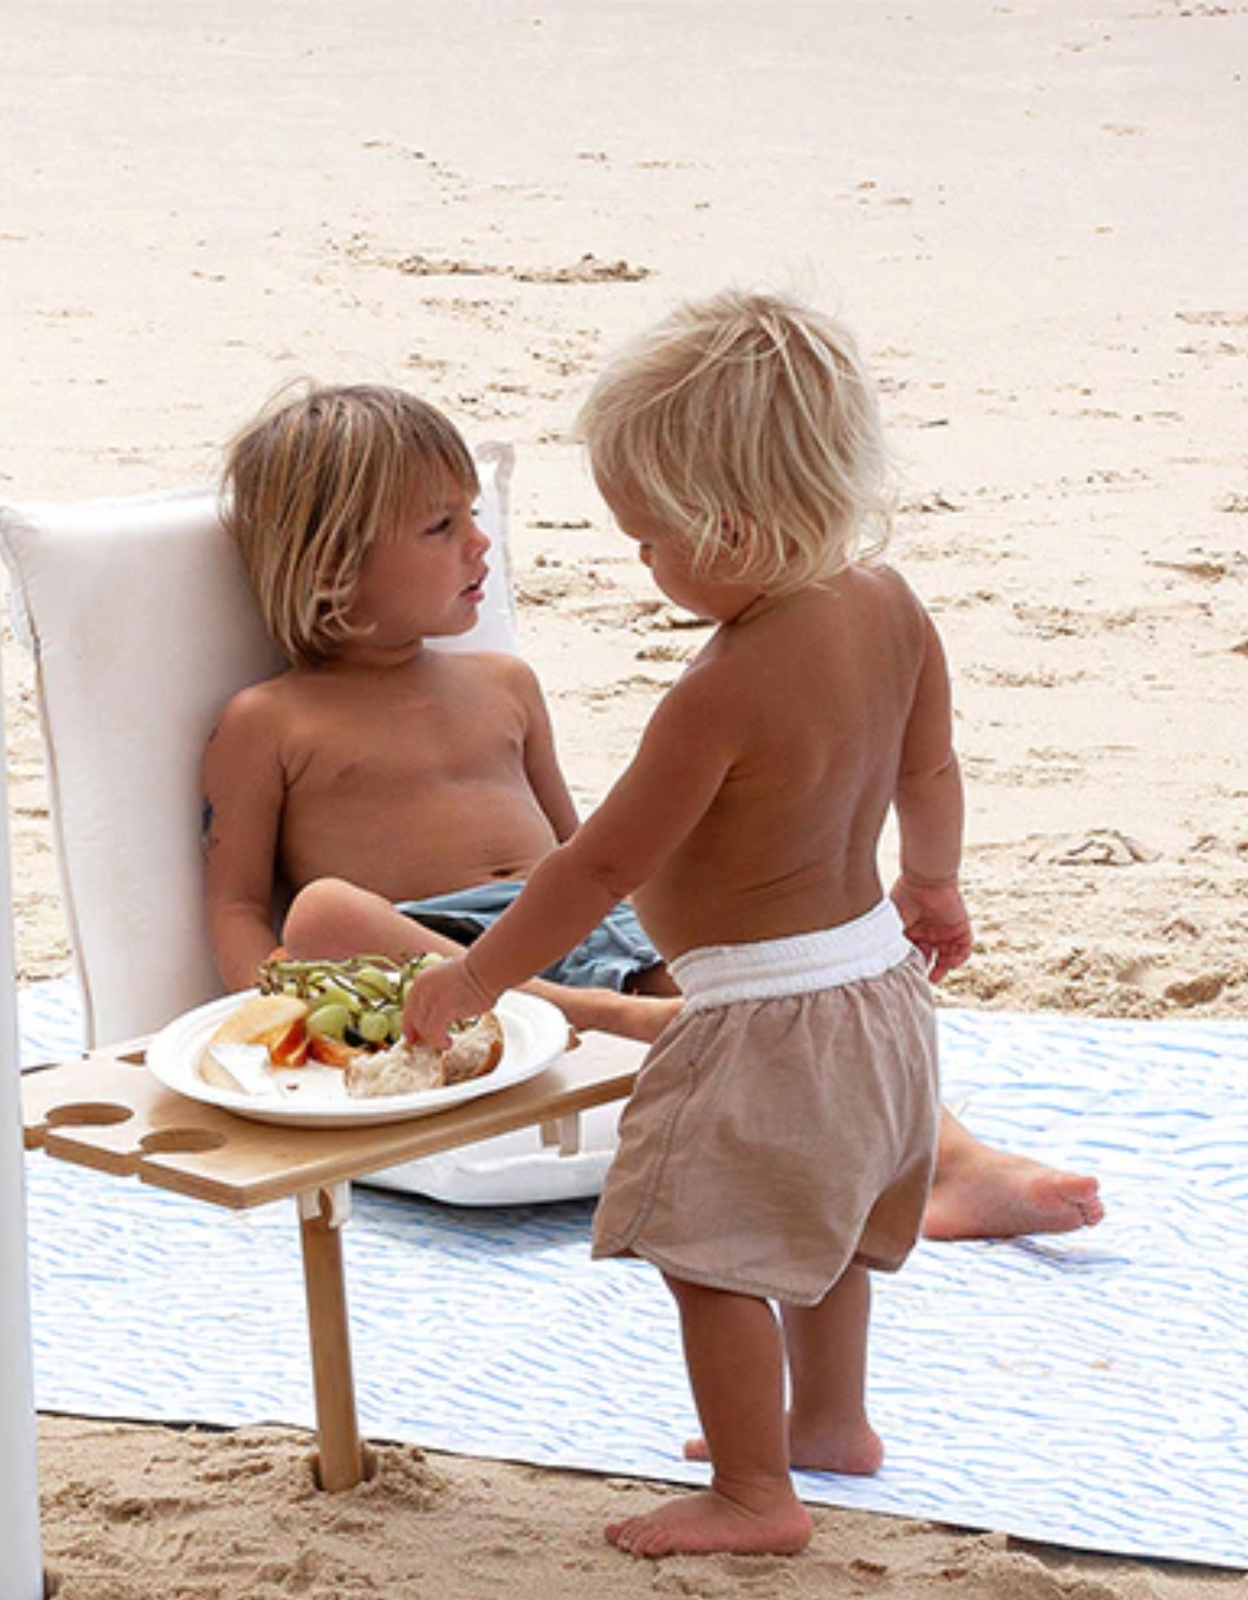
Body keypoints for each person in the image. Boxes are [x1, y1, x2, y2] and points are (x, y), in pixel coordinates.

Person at [202, 377, 1101, 1247]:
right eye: (442, 526)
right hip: (431, 948)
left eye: (475, 514)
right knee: (322, 909)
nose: (482, 544)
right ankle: (594, 1016)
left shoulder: (503, 684)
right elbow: (239, 904)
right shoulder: (271, 720)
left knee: (773, 978)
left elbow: (582, 852)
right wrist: (269, 1010)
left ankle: (953, 1158)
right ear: (329, 569)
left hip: (572, 920)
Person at [398, 291, 988, 1555]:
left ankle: (752, 1490)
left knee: (714, 1253)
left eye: (651, 540)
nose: (645, 566)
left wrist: (476, 978)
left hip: (761, 1016)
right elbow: (928, 770)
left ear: (730, 524)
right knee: (822, 1226)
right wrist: (931, 884)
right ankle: (830, 1421)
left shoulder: (721, 689)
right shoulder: (886, 600)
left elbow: (596, 866)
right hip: (880, 988)